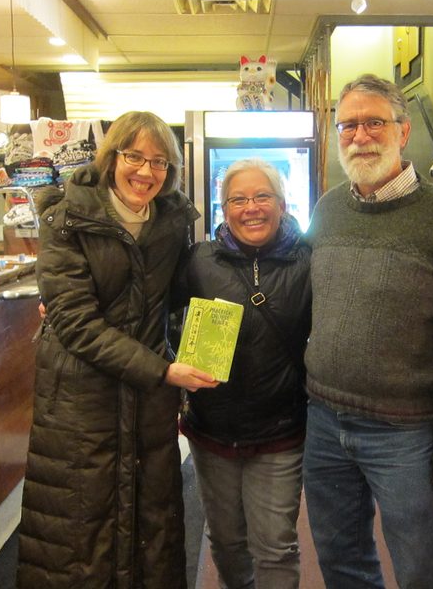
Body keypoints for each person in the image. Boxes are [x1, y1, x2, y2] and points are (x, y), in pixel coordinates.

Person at [302, 73, 433, 589]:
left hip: (405, 434)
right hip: (324, 421)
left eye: (373, 122)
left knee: (418, 570)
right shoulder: (327, 210)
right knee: (340, 558)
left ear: (403, 131)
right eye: (348, 125)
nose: (360, 135)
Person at [18, 111, 218, 589]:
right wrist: (163, 372)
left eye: (159, 162)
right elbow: (77, 324)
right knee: (81, 529)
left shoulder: (170, 222)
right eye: (135, 157)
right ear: (112, 157)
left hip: (147, 404)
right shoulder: (66, 216)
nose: (146, 172)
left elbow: (174, 301)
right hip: (80, 400)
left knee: (151, 523)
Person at [173, 158, 311, 589]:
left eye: (262, 196)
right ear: (223, 208)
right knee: (228, 542)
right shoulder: (198, 261)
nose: (251, 207)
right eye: (238, 199)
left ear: (283, 203)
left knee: (275, 546)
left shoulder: (310, 261)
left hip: (281, 431)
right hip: (212, 430)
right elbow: (148, 309)